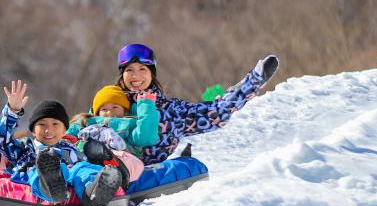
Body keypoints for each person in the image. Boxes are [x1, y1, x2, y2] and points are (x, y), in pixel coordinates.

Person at [113, 43, 280, 164]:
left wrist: (253, 81)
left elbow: (216, 112)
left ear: (152, 75)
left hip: (146, 173)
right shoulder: (111, 103)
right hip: (109, 166)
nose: (136, 76)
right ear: (122, 75)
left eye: (142, 69)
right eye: (129, 70)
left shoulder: (171, 110)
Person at [0, 80, 127, 206]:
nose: (48, 130)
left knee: (84, 168)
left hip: (71, 174)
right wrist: (12, 111)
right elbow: (1, 140)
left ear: (64, 130)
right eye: (42, 124)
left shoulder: (71, 148)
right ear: (33, 131)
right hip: (38, 174)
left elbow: (85, 162)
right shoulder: (25, 147)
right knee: (38, 170)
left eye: (55, 124)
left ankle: (93, 194)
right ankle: (49, 186)